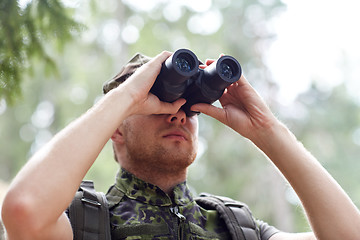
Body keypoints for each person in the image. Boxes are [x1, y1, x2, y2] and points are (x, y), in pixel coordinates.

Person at [2, 50, 360, 240]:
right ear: (116, 130)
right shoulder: (85, 224)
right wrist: (126, 96)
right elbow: (24, 210)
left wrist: (267, 130)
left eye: (187, 106)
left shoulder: (235, 228)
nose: (177, 115)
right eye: (156, 105)